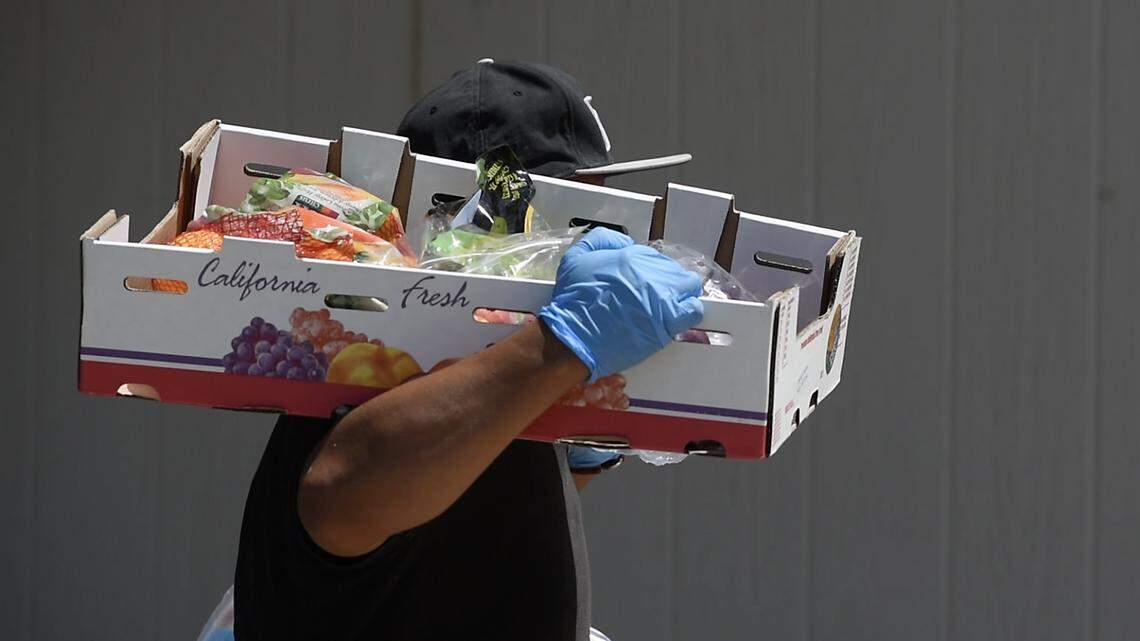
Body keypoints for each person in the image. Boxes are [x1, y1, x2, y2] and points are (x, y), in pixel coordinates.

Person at [232, 60, 700, 641]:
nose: (596, 234)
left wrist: (582, 444)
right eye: (578, 209)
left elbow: (473, 508)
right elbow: (341, 491)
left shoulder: (492, 366)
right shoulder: (380, 368)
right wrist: (563, 345)